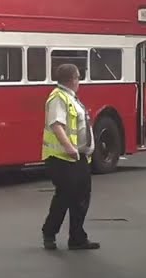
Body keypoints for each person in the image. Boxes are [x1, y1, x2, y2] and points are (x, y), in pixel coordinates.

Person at [41, 63, 101, 251]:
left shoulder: (70, 97)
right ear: (73, 79)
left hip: (79, 157)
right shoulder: (58, 98)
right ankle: (49, 233)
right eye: (78, 77)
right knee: (65, 197)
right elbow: (56, 125)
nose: (79, 81)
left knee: (82, 198)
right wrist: (69, 148)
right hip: (62, 158)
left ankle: (77, 238)